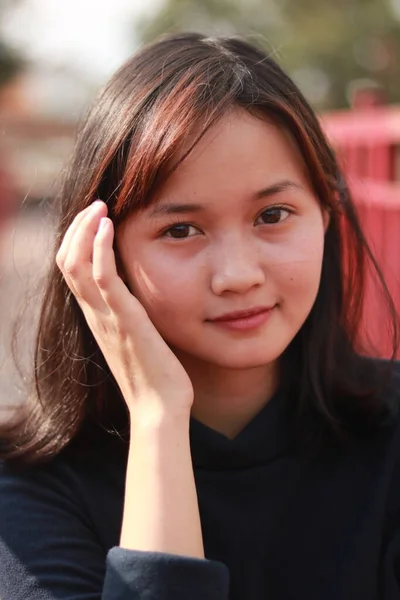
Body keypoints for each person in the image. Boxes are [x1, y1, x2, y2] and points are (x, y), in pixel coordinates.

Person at [0, 32, 399, 600]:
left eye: (274, 214)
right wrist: (158, 416)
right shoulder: (30, 489)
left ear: (328, 214)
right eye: (181, 229)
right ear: (101, 253)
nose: (238, 274)